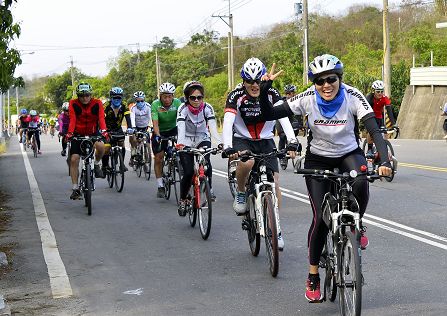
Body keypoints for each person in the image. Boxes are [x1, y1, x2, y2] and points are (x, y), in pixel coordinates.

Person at [259, 54, 393, 302]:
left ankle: (357, 222)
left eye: (331, 79)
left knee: (362, 181)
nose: (326, 85)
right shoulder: (307, 97)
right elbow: (268, 114)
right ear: (314, 84)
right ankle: (313, 276)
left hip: (348, 154)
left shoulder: (353, 96)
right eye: (319, 81)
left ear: (339, 79)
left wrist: (384, 161)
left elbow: (373, 128)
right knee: (321, 219)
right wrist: (266, 88)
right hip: (318, 159)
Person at [222, 57, 299, 251]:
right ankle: (241, 193)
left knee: (275, 182)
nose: (254, 85)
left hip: (265, 140)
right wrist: (227, 146)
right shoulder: (236, 95)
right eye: (250, 81)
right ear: (244, 81)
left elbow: (283, 117)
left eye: (258, 81)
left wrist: (292, 141)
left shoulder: (271, 92)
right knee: (246, 164)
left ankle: (276, 229)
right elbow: (229, 121)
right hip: (243, 138)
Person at [176, 81, 222, 215]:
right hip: (186, 140)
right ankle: (183, 199)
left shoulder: (208, 108)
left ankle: (209, 189)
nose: (196, 100)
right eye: (192, 98)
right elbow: (181, 128)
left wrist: (219, 143)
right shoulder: (182, 109)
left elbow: (213, 127)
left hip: (202, 138)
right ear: (187, 98)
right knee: (189, 172)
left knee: (206, 165)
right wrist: (180, 144)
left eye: (199, 97)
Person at [66, 82, 108, 200]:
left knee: (101, 147)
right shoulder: (73, 103)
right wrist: (69, 133)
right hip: (77, 133)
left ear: (91, 95)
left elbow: (100, 118)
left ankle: (96, 164)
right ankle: (75, 188)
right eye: (82, 96)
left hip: (93, 132)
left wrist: (104, 130)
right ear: (78, 96)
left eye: (87, 95)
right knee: (74, 159)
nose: (85, 98)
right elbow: (73, 119)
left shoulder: (97, 103)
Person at [151, 82, 182, 198]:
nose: (167, 99)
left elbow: (181, 120)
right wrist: (158, 135)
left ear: (173, 96)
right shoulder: (155, 104)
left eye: (170, 96)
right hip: (160, 131)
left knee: (181, 152)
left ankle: (177, 165)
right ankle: (160, 186)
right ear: (160, 96)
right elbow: (155, 123)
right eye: (165, 96)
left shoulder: (178, 103)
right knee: (158, 158)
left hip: (174, 130)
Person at [101, 87, 133, 174]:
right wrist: (103, 130)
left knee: (121, 144)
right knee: (107, 148)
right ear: (111, 97)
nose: (117, 99)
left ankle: (121, 164)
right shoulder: (105, 106)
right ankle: (105, 166)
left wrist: (130, 128)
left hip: (118, 128)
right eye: (115, 97)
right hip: (107, 129)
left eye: (119, 97)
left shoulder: (124, 105)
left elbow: (128, 118)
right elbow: (101, 119)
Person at [365, 80, 397, 152]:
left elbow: (389, 111)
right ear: (374, 91)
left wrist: (394, 124)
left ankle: (384, 147)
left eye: (382, 91)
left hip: (379, 117)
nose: (380, 93)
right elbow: (366, 111)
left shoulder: (385, 98)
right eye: (378, 91)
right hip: (370, 116)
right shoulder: (369, 98)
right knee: (371, 131)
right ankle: (369, 149)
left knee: (384, 131)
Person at [276, 84, 303, 155]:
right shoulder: (281, 100)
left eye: (290, 93)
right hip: (281, 119)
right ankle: (282, 155)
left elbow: (299, 115)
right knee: (282, 136)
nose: (288, 95)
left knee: (294, 132)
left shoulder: (298, 100)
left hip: (292, 119)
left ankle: (295, 145)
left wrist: (301, 125)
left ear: (294, 93)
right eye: (286, 93)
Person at [129, 90, 152, 166]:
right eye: (138, 101)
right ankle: (134, 154)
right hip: (136, 127)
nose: (140, 103)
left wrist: (152, 126)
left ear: (144, 99)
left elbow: (151, 117)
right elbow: (132, 118)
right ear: (135, 101)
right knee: (134, 140)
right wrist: (133, 127)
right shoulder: (133, 108)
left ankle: (146, 156)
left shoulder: (148, 107)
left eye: (142, 101)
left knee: (147, 142)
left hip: (145, 126)